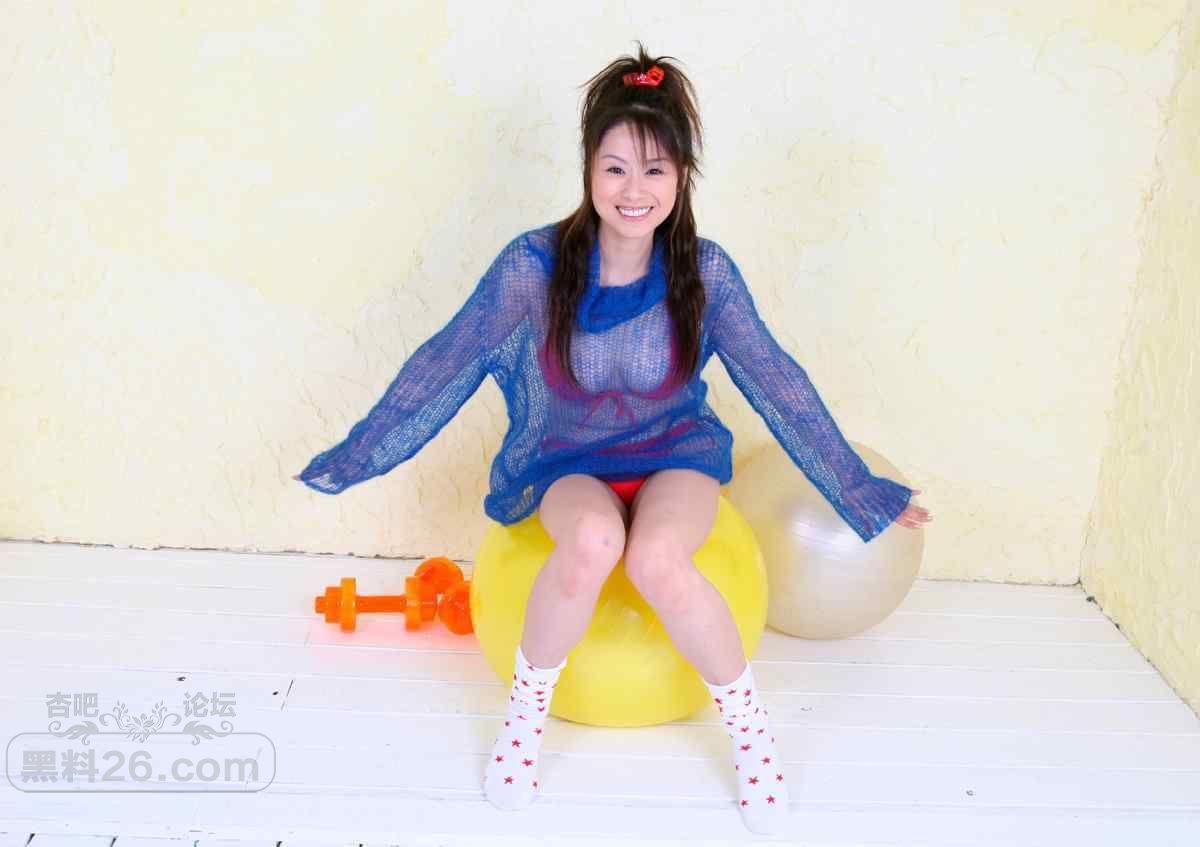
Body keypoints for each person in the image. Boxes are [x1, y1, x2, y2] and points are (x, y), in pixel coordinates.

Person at [295, 44, 931, 835]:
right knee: (594, 542)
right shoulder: (533, 266)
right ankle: (524, 720)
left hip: (675, 454)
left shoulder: (705, 273)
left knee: (656, 557)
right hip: (570, 461)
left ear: (682, 177)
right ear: (589, 169)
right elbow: (445, 359)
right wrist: (359, 453)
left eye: (655, 169)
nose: (635, 190)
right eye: (617, 168)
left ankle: (751, 736)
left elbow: (778, 382)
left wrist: (859, 488)